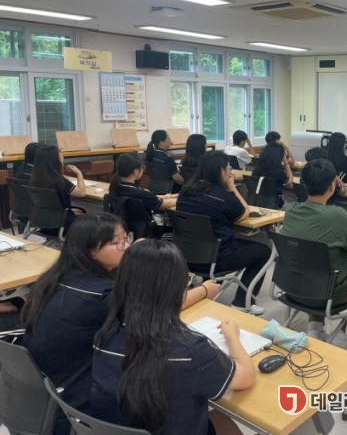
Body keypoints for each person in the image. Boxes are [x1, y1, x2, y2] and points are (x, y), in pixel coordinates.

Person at [22, 214, 221, 435]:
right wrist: (205, 290)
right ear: (90, 251)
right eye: (116, 242)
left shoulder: (55, 277)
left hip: (46, 384)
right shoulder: (103, 295)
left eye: (126, 239)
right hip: (82, 398)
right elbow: (156, 306)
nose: (126, 247)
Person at [91, 239, 255, 435]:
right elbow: (245, 378)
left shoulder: (104, 336)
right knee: (226, 423)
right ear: (175, 290)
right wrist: (233, 337)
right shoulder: (192, 352)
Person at [280, 159, 347, 339]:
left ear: (303, 184)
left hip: (292, 286)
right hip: (327, 295)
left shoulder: (290, 210)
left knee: (314, 266)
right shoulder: (338, 215)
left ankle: (315, 328)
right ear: (332, 186)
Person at [177, 151, 270, 315]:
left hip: (187, 256)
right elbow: (245, 212)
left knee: (215, 237)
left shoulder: (185, 192)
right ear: (219, 170)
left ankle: (209, 287)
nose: (230, 172)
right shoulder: (221, 196)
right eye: (228, 168)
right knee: (265, 249)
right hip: (218, 259)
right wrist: (232, 187)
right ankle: (242, 302)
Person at [30, 145, 87, 232]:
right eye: (60, 154)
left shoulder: (35, 179)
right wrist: (79, 173)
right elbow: (82, 193)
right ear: (55, 160)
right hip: (61, 224)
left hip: (43, 222)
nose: (62, 156)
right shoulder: (59, 181)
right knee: (88, 214)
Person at [109, 152, 177, 213]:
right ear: (136, 172)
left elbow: (151, 198)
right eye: (142, 167)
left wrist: (171, 196)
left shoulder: (116, 186)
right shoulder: (139, 194)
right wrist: (180, 200)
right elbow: (162, 204)